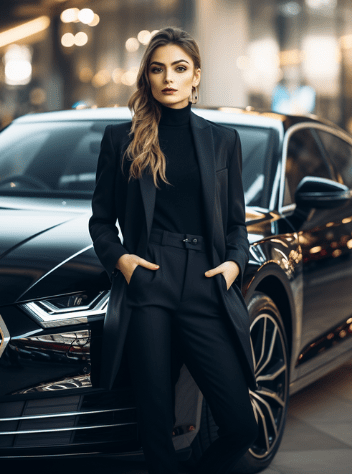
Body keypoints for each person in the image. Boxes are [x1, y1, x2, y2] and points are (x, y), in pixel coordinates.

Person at [89, 27, 258, 474]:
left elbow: (237, 223)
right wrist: (123, 261)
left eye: (179, 69)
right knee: (156, 424)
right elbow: (101, 222)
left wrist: (232, 266)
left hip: (206, 280)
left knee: (241, 426)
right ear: (147, 76)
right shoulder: (120, 139)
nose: (169, 78)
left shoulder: (224, 141)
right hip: (150, 280)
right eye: (158, 68)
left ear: (196, 77)